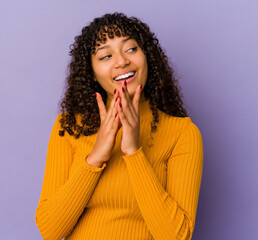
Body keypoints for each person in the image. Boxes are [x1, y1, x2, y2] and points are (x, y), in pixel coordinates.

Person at [35, 12, 203, 240]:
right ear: (91, 74)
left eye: (131, 49)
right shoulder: (68, 127)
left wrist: (134, 153)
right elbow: (50, 230)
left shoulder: (182, 132)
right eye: (105, 56)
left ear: (147, 58)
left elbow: (176, 236)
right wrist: (95, 158)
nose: (122, 61)